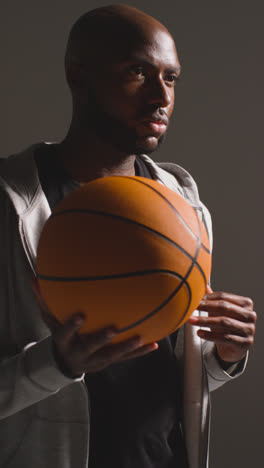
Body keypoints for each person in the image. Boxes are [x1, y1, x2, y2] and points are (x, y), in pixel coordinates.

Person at [0, 4, 256, 468]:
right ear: (78, 75)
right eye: (138, 72)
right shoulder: (9, 204)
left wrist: (222, 356)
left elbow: (163, 372)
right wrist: (55, 363)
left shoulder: (183, 203)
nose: (160, 96)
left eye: (171, 78)